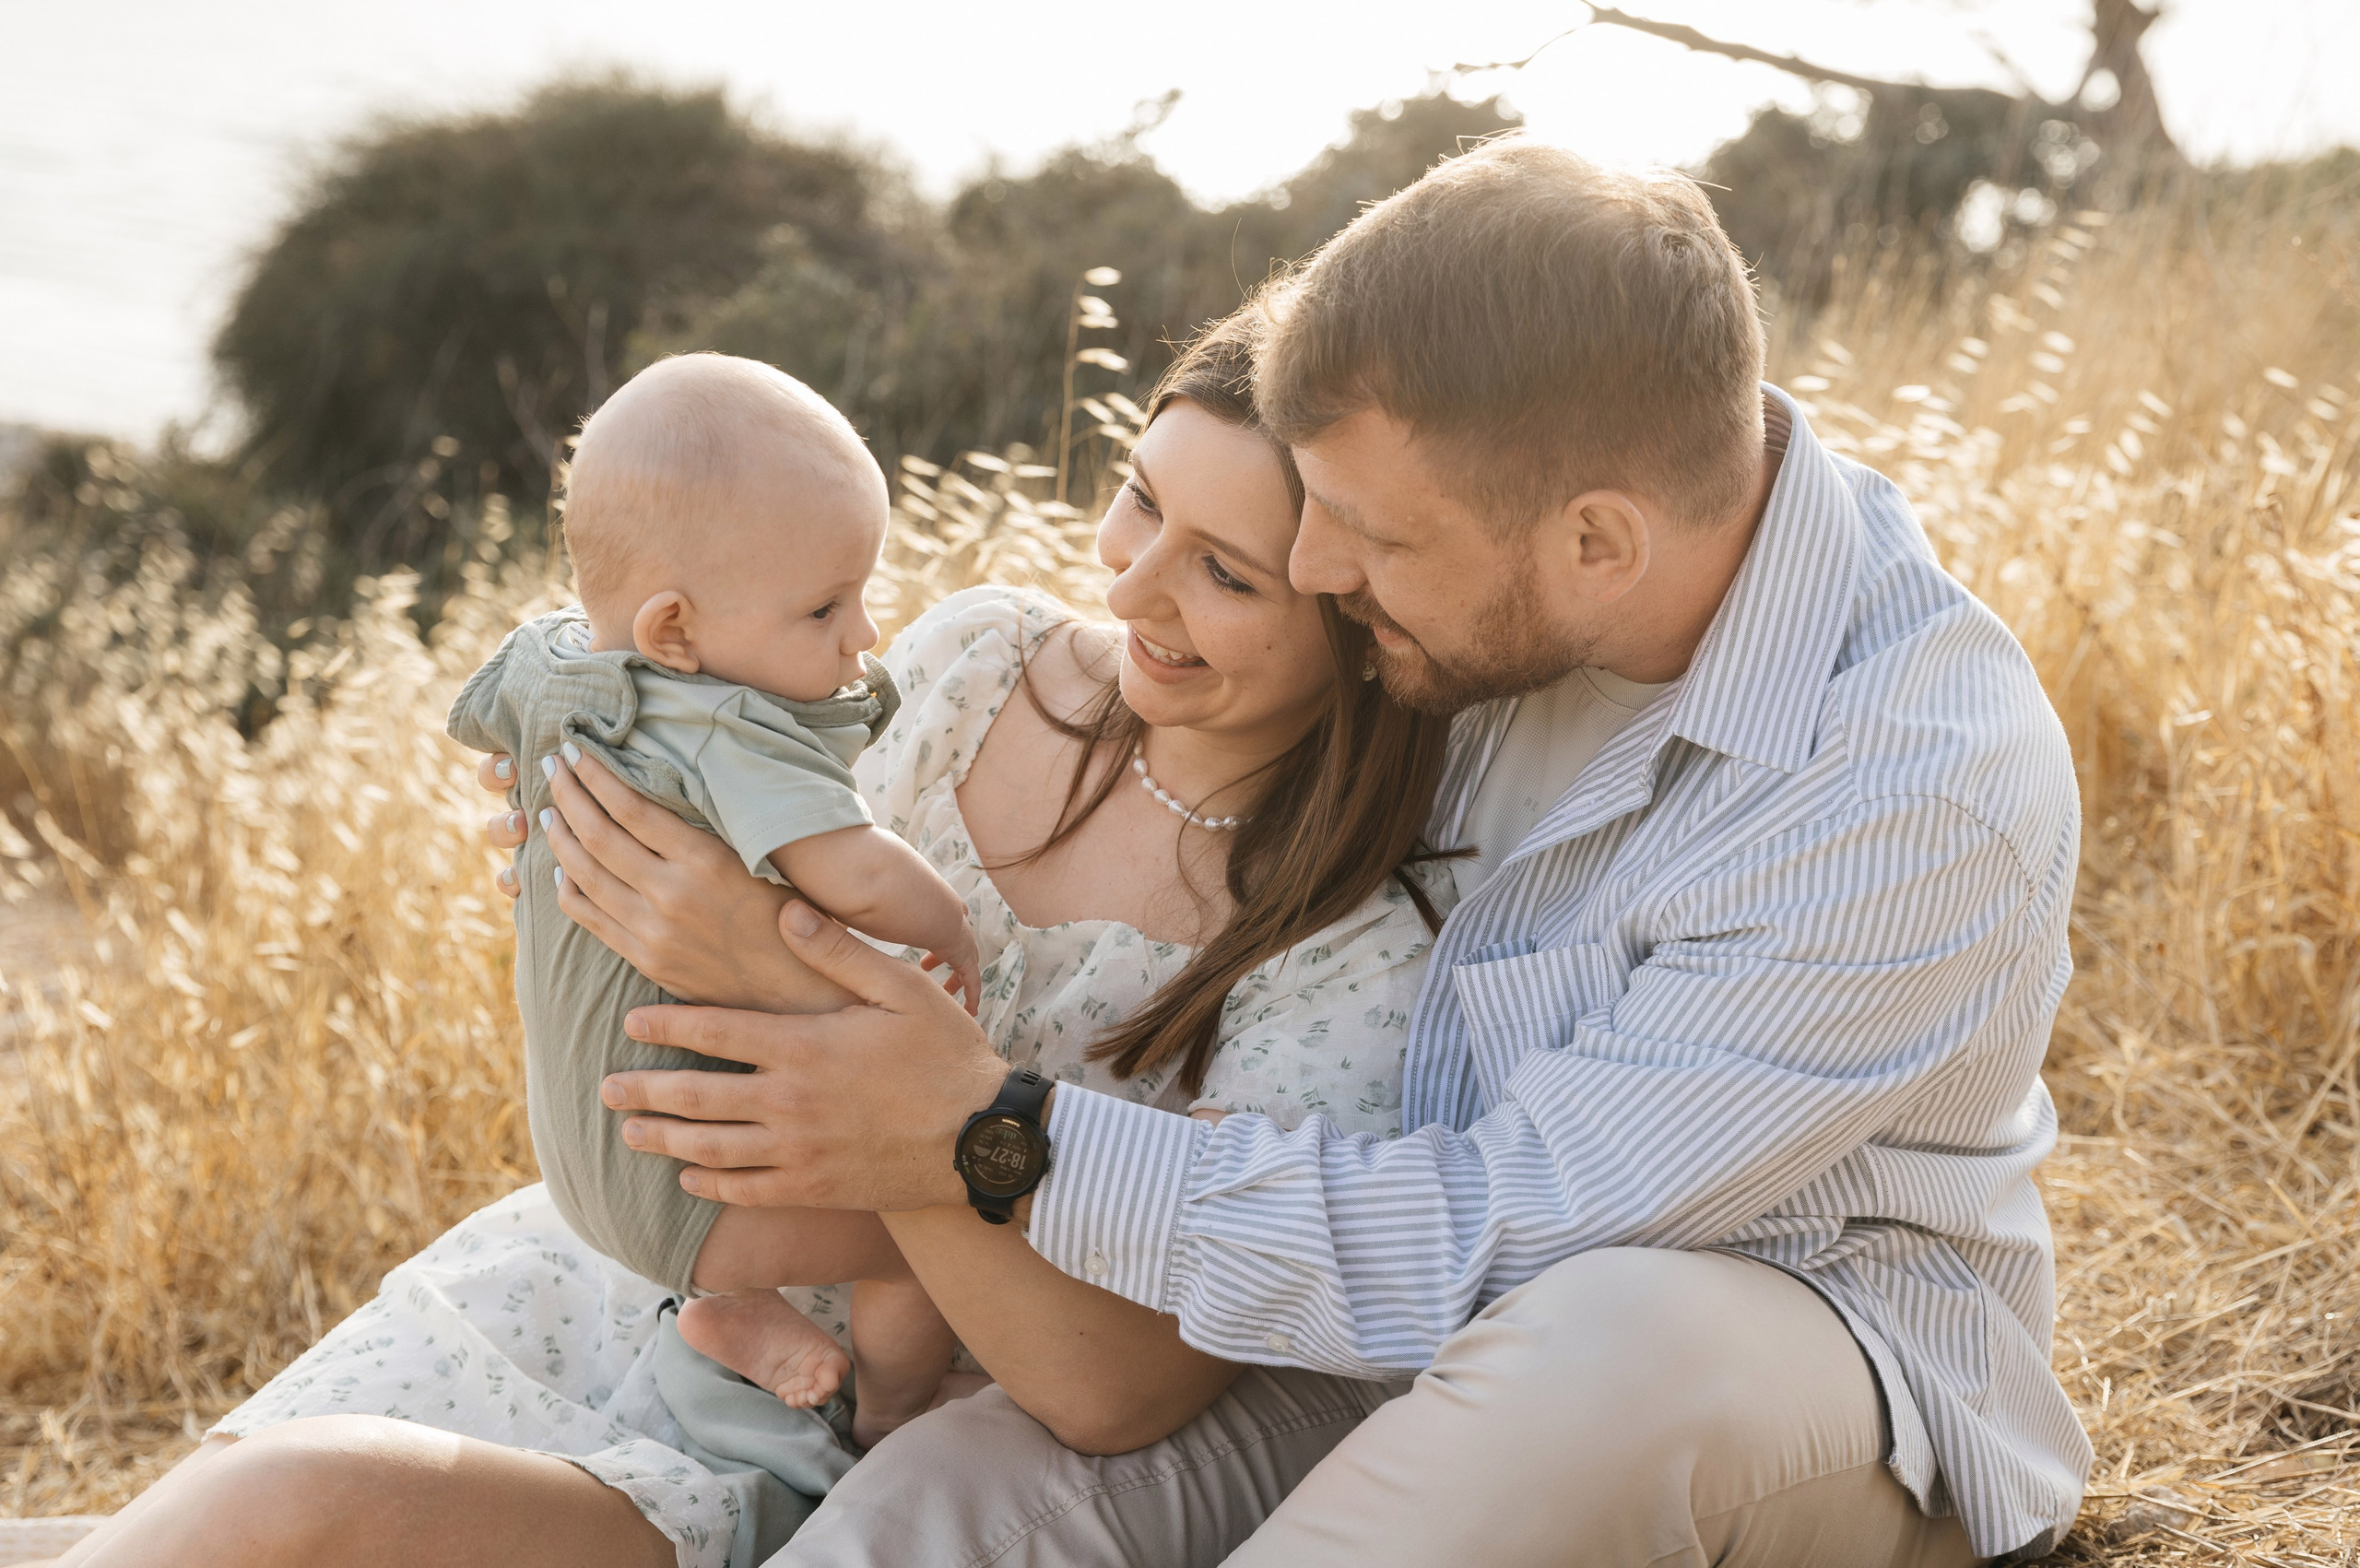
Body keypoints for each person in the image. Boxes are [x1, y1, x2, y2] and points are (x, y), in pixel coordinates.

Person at [515, 143, 2098, 1563]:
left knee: (1608, 1347)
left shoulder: (1907, 791)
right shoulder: (1493, 596)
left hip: (1769, 1334)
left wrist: (992, 1137)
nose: (1322, 569)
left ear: (1597, 540)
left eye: (1373, 538)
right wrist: (658, 760)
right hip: (1337, 1306)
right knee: (942, 1503)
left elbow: (1507, 1232)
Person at [41, 313, 1461, 1568]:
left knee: (289, 1510)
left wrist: (768, 965)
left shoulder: (1344, 956)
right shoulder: (976, 666)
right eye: (1139, 500)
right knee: (190, 1516)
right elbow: (720, 783)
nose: (1134, 585)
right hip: (601, 1271)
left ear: (1359, 608)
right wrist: (606, 852)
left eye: (1224, 571)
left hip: (789, 1423)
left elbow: (1112, 1393)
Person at [449, 350, 985, 1445]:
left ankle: (728, 1308)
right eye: (827, 607)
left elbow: (484, 726)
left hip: (580, 1145)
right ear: (675, 634)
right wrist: (946, 924)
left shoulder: (547, 662)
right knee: (935, 1225)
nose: (866, 635)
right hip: (688, 1184)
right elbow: (856, 869)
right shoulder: (717, 723)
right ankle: (876, 1424)